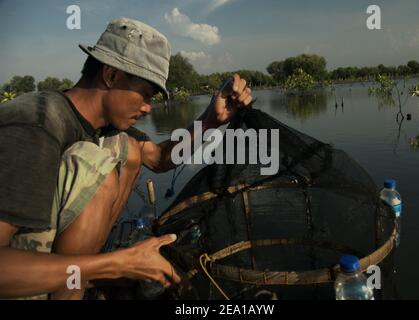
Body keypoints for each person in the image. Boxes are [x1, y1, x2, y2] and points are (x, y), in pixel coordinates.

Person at [0, 17, 252, 299]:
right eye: (145, 94)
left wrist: (210, 120)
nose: (147, 109)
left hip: (67, 272)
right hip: (21, 286)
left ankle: (82, 282)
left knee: (130, 149)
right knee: (97, 166)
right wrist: (118, 264)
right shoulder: (34, 126)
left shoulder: (105, 127)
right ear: (110, 75)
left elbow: (159, 158)